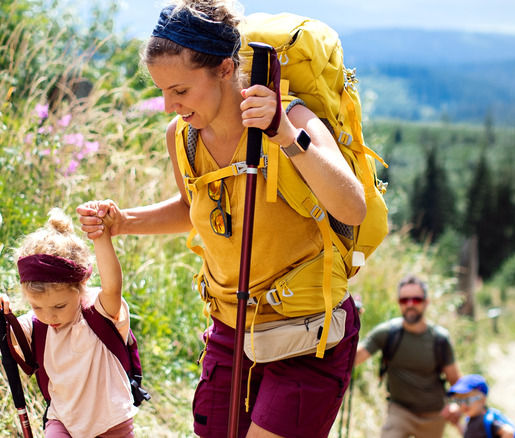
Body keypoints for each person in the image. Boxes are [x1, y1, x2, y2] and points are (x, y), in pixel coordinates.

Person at [77, 1, 366, 437]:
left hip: (308, 332)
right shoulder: (182, 136)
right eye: (161, 91)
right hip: (231, 330)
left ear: (226, 69)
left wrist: (285, 136)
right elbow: (192, 209)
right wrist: (124, 222)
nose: (169, 104)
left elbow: (352, 207)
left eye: (180, 90)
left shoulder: (293, 117)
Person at [0, 205, 138, 438]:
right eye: (37, 306)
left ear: (80, 288)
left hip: (112, 423)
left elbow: (112, 287)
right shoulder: (37, 325)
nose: (48, 316)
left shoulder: (99, 311)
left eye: (59, 306)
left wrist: (100, 235)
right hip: (63, 421)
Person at [354, 274, 462, 438]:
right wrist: (349, 320)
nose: (410, 305)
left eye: (416, 300)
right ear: (399, 303)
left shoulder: (439, 339)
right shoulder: (387, 333)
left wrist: (456, 405)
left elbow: (456, 381)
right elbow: (352, 359)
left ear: (427, 302)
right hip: (400, 411)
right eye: (404, 300)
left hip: (433, 415)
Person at [447, 374, 515, 438]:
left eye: (468, 400)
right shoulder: (471, 419)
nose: (463, 405)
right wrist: (457, 424)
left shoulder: (486, 420)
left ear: (482, 399)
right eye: (459, 401)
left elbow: (508, 432)